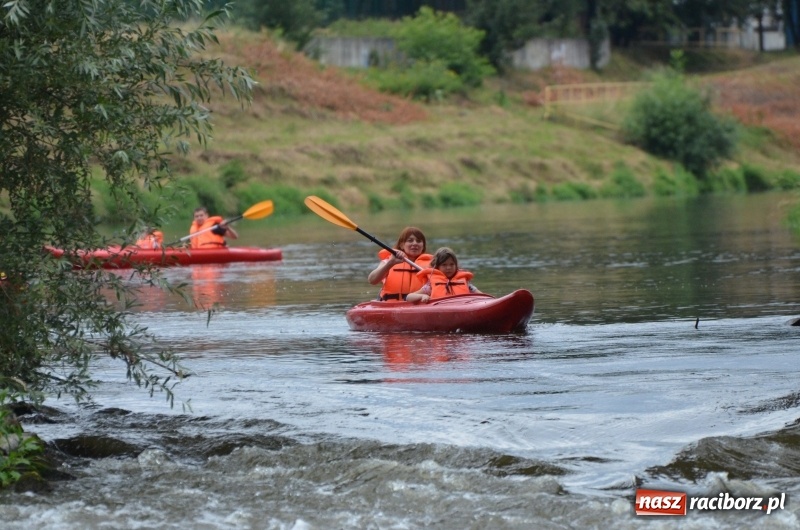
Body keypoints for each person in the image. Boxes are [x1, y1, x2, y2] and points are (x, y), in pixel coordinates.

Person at [368, 226, 432, 301]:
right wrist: (390, 263)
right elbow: (372, 280)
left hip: (422, 304)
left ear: (423, 246)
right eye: (410, 241)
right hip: (392, 306)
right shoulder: (389, 261)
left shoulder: (432, 264)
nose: (415, 243)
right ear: (402, 245)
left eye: (418, 241)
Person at [406, 247, 480, 304]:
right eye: (444, 265)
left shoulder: (466, 283)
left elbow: (481, 295)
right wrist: (422, 296)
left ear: (456, 265)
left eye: (451, 264)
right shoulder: (430, 286)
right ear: (437, 267)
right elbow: (408, 297)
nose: (448, 268)